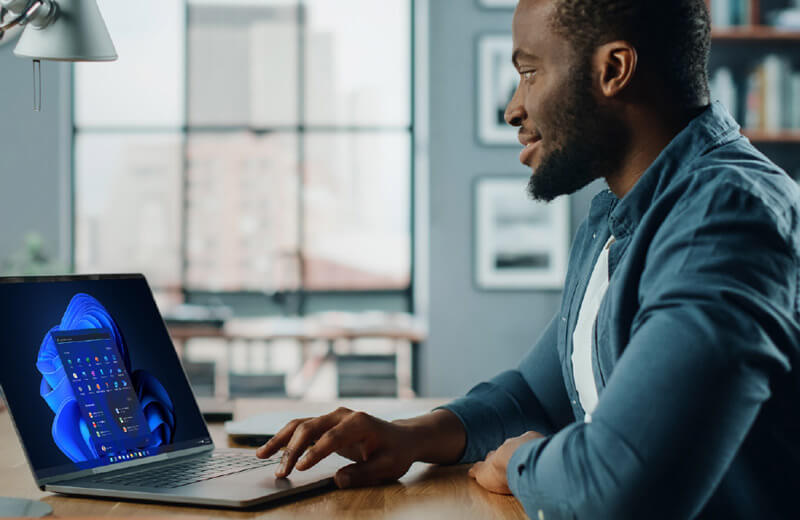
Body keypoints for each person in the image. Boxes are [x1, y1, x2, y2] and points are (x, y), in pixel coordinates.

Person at [256, 0, 800, 518]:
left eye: (529, 72)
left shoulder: (726, 219)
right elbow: (538, 393)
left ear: (614, 69)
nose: (513, 107)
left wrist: (520, 463)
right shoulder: (617, 210)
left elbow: (617, 490)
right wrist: (406, 437)